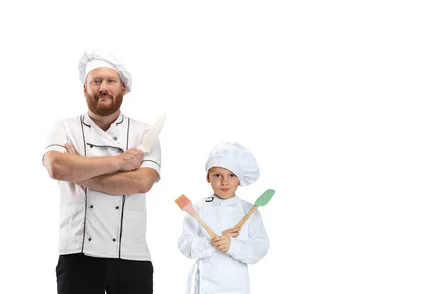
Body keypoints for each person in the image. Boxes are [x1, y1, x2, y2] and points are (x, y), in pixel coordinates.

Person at [42, 50, 162, 294]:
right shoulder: (64, 127)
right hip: (77, 254)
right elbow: (56, 167)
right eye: (96, 82)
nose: (103, 88)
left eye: (110, 81)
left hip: (131, 254)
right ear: (85, 89)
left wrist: (78, 169)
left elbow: (141, 183)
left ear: (123, 88)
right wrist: (120, 162)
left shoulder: (144, 133)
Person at [178, 142, 269, 294]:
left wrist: (232, 245)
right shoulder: (197, 208)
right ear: (208, 177)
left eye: (232, 175)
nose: (224, 182)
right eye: (217, 175)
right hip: (205, 287)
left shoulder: (249, 211)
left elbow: (260, 248)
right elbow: (185, 245)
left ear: (240, 179)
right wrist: (211, 243)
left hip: (237, 287)